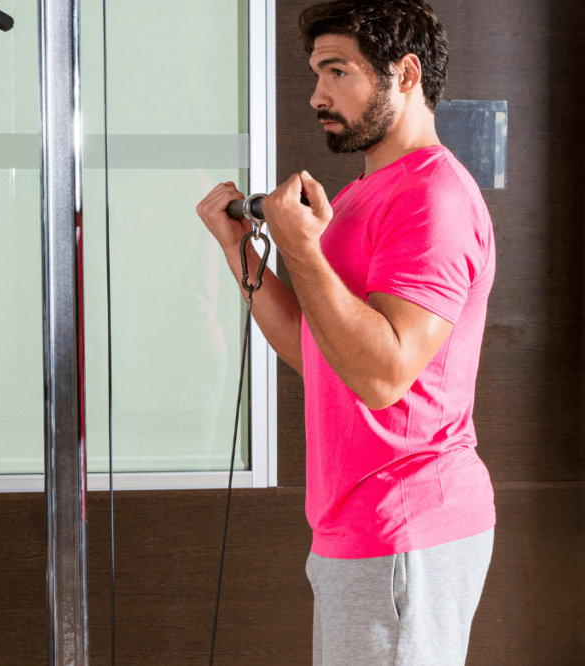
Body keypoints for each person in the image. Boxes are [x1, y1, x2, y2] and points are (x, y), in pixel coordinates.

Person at [195, 1, 495, 664]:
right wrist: (241, 249)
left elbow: (383, 375)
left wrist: (301, 251)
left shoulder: (433, 199)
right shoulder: (367, 194)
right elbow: (322, 351)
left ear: (406, 74)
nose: (317, 96)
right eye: (316, 73)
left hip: (408, 524)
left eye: (338, 72)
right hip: (357, 527)